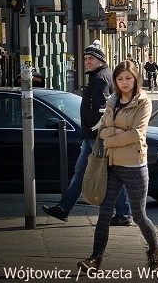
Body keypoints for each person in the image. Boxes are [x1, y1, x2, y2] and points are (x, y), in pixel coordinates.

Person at [77, 60, 158, 272]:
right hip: (112, 165)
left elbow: (137, 134)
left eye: (128, 78)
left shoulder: (143, 102)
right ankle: (95, 259)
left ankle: (155, 251)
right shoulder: (112, 101)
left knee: (139, 215)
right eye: (120, 79)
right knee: (104, 214)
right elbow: (102, 130)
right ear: (115, 81)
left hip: (134, 166)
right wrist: (114, 134)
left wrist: (112, 136)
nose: (124, 83)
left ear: (135, 79)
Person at [42, 41, 133, 226]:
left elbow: (102, 110)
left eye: (91, 58)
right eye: (85, 58)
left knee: (108, 173)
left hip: (97, 137)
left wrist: (96, 130)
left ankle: (124, 213)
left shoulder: (101, 78)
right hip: (91, 137)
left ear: (100, 60)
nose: (87, 62)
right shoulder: (98, 76)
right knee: (81, 172)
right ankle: (63, 208)